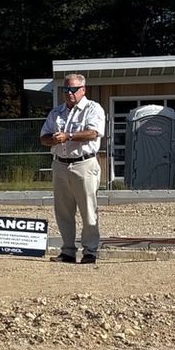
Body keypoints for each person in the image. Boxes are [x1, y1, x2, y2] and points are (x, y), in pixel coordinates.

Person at [39, 74, 106, 264]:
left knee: (88, 209)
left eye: (73, 90)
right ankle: (68, 251)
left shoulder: (92, 108)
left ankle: (90, 251)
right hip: (60, 163)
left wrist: (68, 136)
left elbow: (93, 132)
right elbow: (43, 137)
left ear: (83, 90)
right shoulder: (56, 112)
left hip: (83, 163)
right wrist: (51, 139)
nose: (69, 93)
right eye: (65, 90)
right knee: (63, 211)